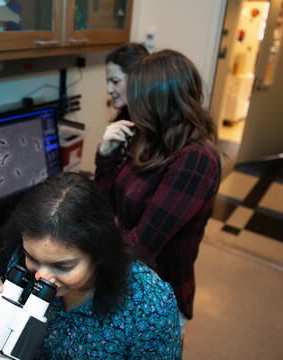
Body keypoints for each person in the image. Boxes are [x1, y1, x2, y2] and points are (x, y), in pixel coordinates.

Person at [0, 172, 182, 359]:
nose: (41, 277)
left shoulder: (150, 305)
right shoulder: (23, 264)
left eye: (63, 266)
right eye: (32, 257)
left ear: (100, 252)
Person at [95, 49, 221, 330]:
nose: (131, 103)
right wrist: (107, 154)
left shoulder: (196, 158)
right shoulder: (149, 137)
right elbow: (105, 204)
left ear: (158, 99)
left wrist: (85, 257)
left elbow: (142, 245)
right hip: (127, 281)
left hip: (158, 296)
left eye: (137, 95)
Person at [105, 43, 149, 123]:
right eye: (107, 82)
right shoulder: (127, 115)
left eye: (115, 81)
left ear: (137, 80)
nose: (109, 90)